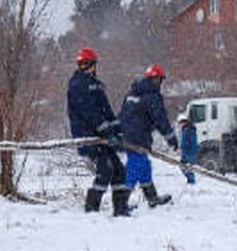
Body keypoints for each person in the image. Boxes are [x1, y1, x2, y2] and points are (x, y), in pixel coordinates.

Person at [66, 47, 131, 216]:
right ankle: (92, 209)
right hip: (88, 137)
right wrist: (106, 131)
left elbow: (106, 110)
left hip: (103, 137)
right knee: (106, 169)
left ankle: (121, 208)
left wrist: (118, 131)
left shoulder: (96, 85)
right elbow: (89, 112)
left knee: (119, 170)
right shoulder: (77, 85)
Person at [118, 64, 178, 207]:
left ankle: (152, 197)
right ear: (156, 80)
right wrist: (170, 137)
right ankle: (121, 201)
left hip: (127, 135)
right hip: (138, 136)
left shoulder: (132, 93)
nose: (160, 84)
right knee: (136, 165)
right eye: (159, 80)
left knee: (144, 166)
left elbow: (122, 114)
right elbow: (160, 118)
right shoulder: (152, 96)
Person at [177, 113, 198, 184]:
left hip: (189, 151)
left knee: (188, 167)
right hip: (186, 151)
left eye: (180, 123)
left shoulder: (188, 129)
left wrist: (183, 147)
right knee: (183, 166)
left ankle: (191, 180)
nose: (180, 125)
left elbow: (187, 141)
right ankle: (190, 179)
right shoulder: (187, 129)